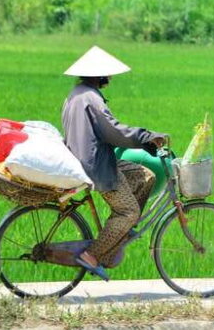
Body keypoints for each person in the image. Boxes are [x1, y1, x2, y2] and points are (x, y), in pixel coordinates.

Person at [61, 45, 168, 281]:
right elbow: (113, 131)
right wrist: (146, 137)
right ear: (99, 75)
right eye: (107, 74)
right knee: (128, 211)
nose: (109, 78)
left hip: (90, 159)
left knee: (145, 176)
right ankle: (93, 254)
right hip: (96, 166)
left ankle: (117, 237)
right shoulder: (92, 98)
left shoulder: (77, 93)